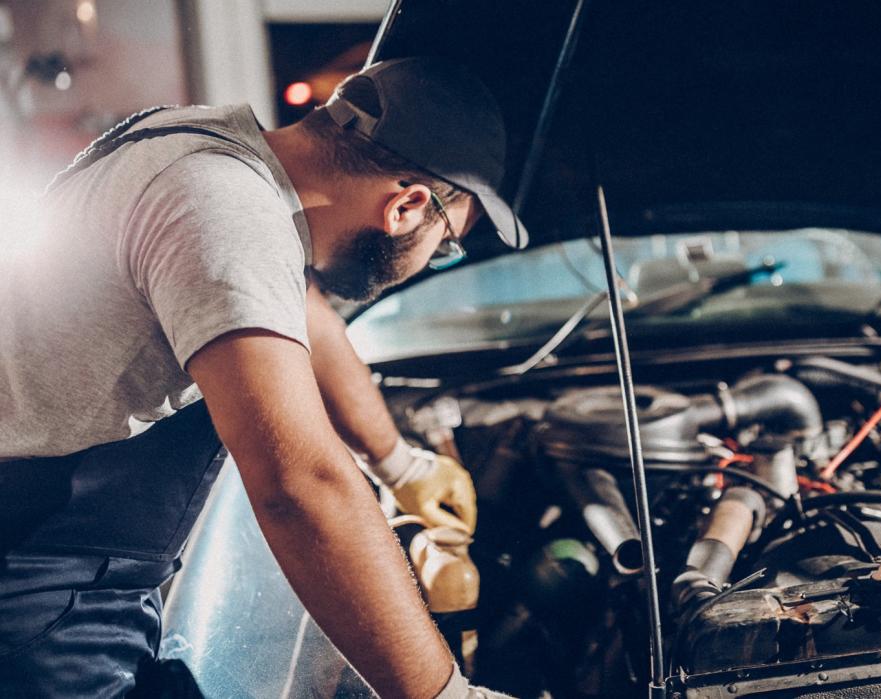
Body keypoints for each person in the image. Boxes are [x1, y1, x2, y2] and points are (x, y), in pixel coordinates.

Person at [0, 57, 524, 698]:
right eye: (444, 245)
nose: (431, 259)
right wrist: (445, 695)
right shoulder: (227, 209)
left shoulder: (209, 150)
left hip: (67, 571)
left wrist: (400, 464)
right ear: (409, 207)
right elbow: (299, 485)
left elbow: (299, 308)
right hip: (41, 598)